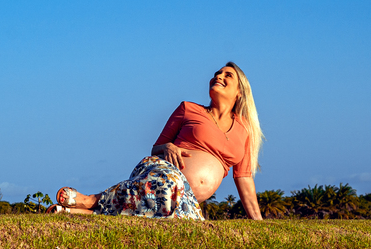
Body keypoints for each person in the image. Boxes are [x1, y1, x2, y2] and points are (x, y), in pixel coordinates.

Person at [50, 62, 264, 220]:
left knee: (181, 220)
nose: (218, 75)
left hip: (182, 197)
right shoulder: (188, 109)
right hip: (162, 171)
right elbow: (156, 148)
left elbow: (243, 178)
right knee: (169, 185)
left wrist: (258, 222)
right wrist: (168, 147)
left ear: (239, 93)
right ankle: (91, 200)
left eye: (227, 75)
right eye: (217, 73)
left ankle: (75, 212)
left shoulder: (245, 130)